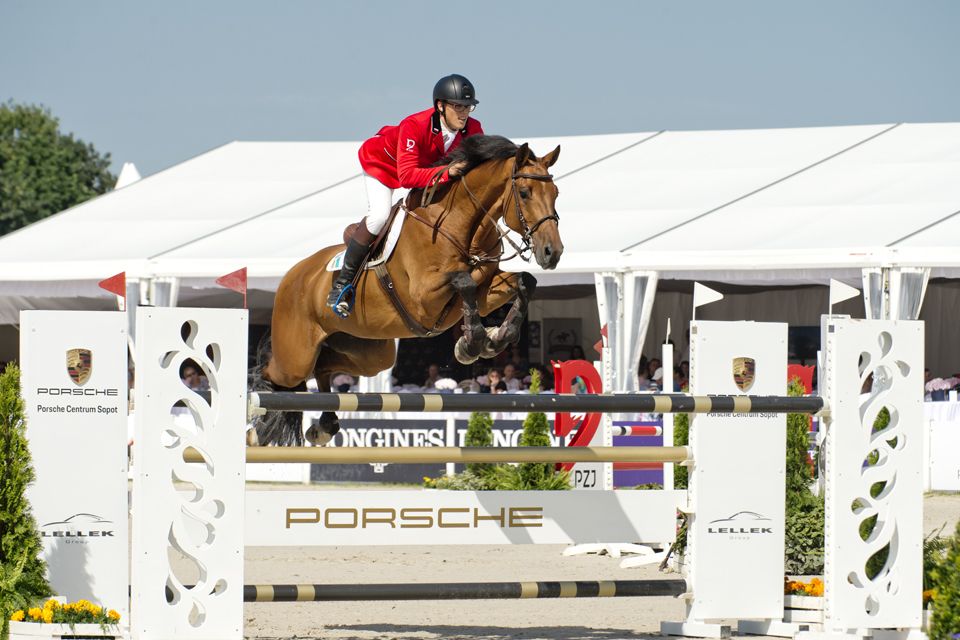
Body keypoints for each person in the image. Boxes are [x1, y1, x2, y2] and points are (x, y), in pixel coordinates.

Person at [328, 74, 484, 316]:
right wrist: (447, 172)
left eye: (468, 106)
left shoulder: (473, 128)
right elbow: (408, 177)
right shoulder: (415, 125)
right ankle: (342, 285)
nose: (464, 113)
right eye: (458, 106)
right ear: (440, 106)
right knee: (379, 216)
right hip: (383, 165)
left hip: (425, 170)